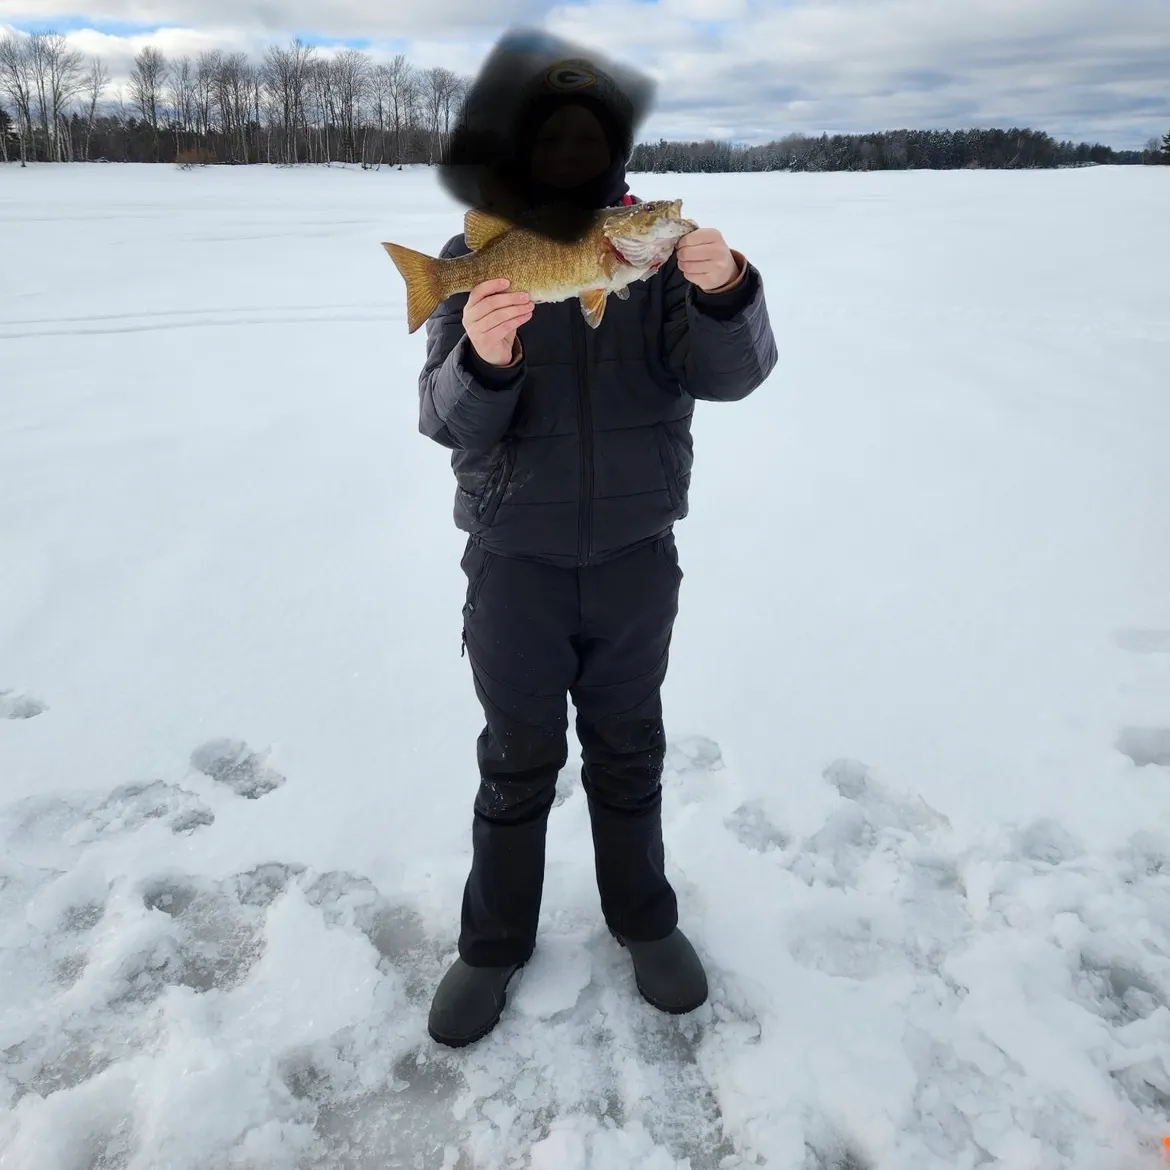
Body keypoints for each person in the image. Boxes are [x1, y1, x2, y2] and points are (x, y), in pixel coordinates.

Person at [418, 58, 778, 1048]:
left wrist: (727, 293)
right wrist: (484, 359)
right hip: (513, 561)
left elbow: (732, 377)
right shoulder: (476, 252)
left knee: (628, 746)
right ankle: (493, 944)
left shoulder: (656, 259)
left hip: (633, 555)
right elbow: (444, 421)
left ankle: (644, 919)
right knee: (517, 755)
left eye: (590, 136)